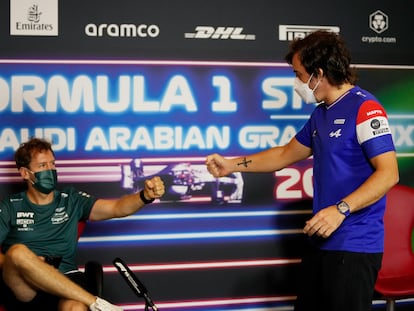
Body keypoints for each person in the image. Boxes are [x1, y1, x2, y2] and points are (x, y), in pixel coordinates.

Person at [205, 30, 399, 311]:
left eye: (298, 74)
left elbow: (388, 173)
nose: (296, 82)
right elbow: (285, 153)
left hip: (354, 246)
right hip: (321, 242)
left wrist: (341, 209)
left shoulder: (366, 109)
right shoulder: (321, 113)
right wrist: (231, 165)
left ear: (318, 73)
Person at [0, 137, 165, 311]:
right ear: (25, 173)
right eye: (42, 166)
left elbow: (116, 208)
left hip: (66, 277)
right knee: (17, 253)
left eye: (53, 164)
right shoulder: (10, 205)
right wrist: (30, 264)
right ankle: (98, 303)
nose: (50, 170)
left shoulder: (72, 199)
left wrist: (145, 196)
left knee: (76, 307)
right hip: (25, 287)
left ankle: (90, 303)